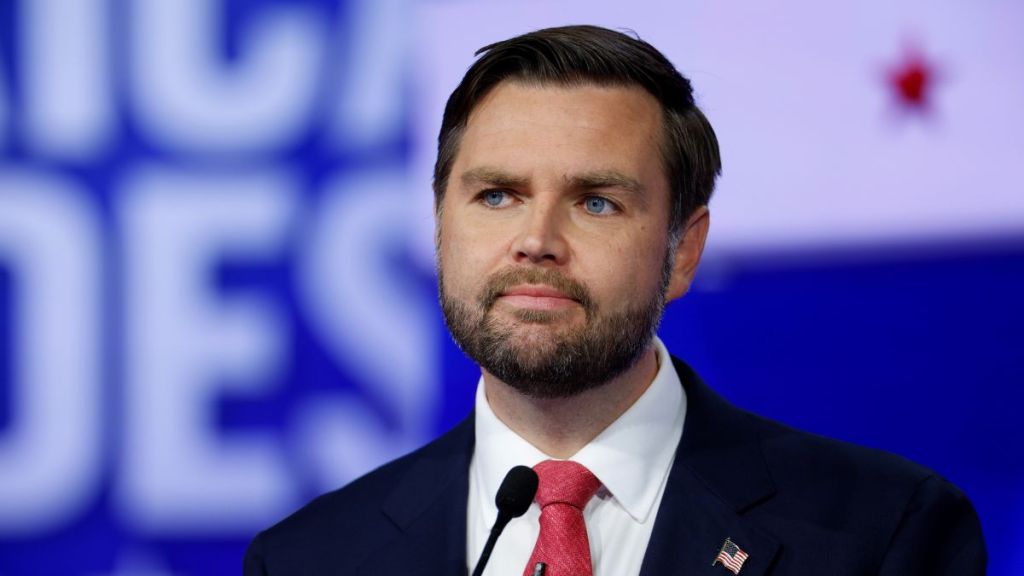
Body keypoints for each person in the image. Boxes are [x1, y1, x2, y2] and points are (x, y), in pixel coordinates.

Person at [243, 25, 986, 576]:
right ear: (441, 225)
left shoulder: (886, 533)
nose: (536, 240)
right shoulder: (311, 557)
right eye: (496, 195)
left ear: (682, 251)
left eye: (596, 202)